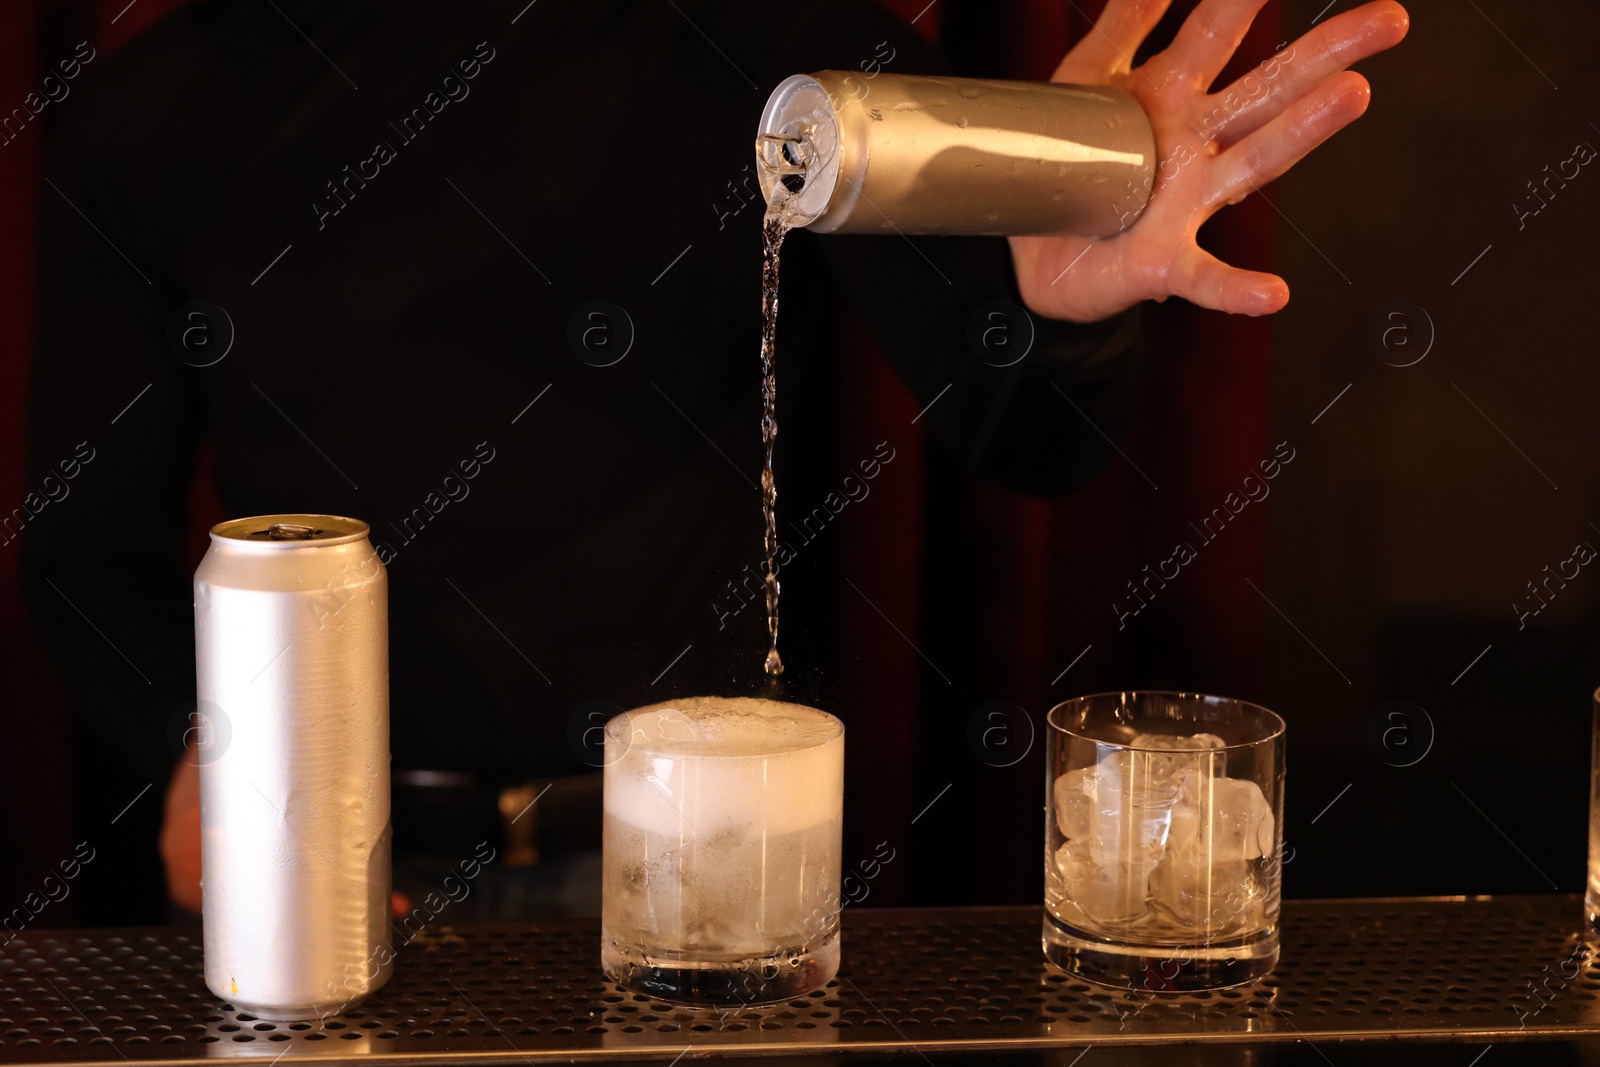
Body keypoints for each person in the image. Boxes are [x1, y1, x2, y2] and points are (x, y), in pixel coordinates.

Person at [21, 0, 1408, 921]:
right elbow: (87, 549)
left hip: (708, 868)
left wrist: (1054, 294)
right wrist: (198, 753)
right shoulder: (170, 102)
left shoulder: (783, 52)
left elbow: (1029, 442)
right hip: (322, 873)